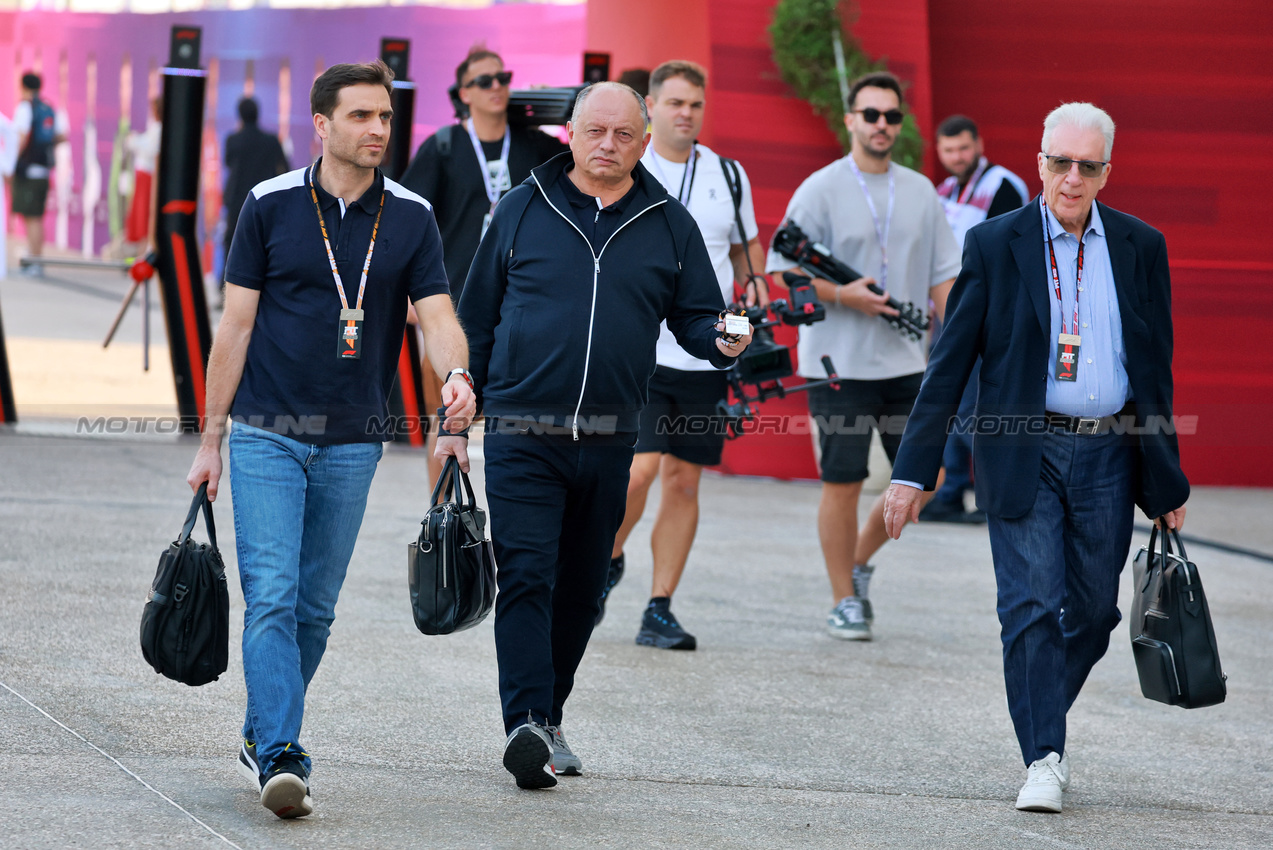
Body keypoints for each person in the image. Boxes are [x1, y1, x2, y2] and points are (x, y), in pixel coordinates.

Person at [185, 60, 474, 820]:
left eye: (384, 117)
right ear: (321, 123)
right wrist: (210, 441)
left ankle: (258, 734)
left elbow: (438, 315)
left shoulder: (410, 216)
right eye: (360, 117)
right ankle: (282, 751)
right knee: (273, 598)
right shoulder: (269, 205)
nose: (378, 129)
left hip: (353, 439)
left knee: (315, 609)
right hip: (265, 433)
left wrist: (456, 378)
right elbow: (235, 327)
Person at [884, 102, 1189, 813]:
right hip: (1023, 446)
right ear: (1038, 162)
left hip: (1110, 452)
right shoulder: (996, 243)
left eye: (1087, 165)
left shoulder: (1141, 247)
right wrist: (911, 469)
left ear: (1106, 172)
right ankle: (1042, 756)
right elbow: (949, 363)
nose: (1071, 178)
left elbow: (1155, 370)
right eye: (1059, 162)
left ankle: (1038, 703)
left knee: (1090, 612)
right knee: (1027, 605)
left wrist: (1164, 475)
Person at [449, 82, 752, 789]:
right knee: (525, 573)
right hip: (524, 428)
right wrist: (455, 420)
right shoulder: (523, 206)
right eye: (594, 132)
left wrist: (723, 340)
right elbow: (477, 319)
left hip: (614, 435)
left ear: (644, 142)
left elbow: (696, 319)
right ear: (572, 135)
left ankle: (549, 717)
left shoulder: (667, 223)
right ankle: (524, 722)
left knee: (582, 588)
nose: (607, 145)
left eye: (622, 134)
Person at [765, 71, 960, 641]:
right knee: (844, 481)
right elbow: (783, 268)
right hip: (837, 364)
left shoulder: (921, 189)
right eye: (870, 114)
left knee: (927, 479)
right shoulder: (822, 187)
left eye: (891, 116)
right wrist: (840, 294)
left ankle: (856, 563)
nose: (881, 125)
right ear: (850, 120)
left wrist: (967, 342)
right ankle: (843, 599)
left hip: (907, 363)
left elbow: (946, 277)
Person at [601, 60, 768, 651]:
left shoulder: (728, 173)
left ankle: (659, 607)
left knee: (684, 483)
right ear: (651, 106)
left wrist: (756, 295)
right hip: (639, 353)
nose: (686, 114)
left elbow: (747, 252)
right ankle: (606, 557)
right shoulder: (628, 167)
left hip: (706, 352)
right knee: (640, 468)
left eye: (695, 104)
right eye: (674, 103)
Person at [401, 44, 567, 483]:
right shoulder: (443, 146)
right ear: (464, 93)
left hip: (525, 302)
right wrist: (407, 292)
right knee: (448, 414)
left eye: (502, 77)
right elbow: (409, 222)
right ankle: (441, 518)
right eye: (484, 81)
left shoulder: (537, 145)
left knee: (519, 414)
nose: (497, 87)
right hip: (451, 302)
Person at [921, 114, 1029, 523]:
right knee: (945, 406)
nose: (957, 156)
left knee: (970, 409)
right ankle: (948, 494)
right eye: (948, 150)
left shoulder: (1003, 185)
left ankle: (995, 492)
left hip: (985, 320)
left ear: (979, 143)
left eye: (964, 148)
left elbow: (1007, 256)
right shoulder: (944, 190)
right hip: (944, 318)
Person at [223, 96, 290, 267]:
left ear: (239, 115)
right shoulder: (271, 140)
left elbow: (228, 162)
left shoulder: (233, 140)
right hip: (266, 197)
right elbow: (285, 168)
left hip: (237, 197)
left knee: (233, 239)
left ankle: (226, 281)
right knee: (265, 239)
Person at [13, 72, 68, 277]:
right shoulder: (49, 108)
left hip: (28, 170)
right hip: (43, 170)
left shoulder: (26, 107)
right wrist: (44, 145)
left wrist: (14, 162)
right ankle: (34, 258)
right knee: (35, 216)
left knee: (32, 218)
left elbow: (21, 137)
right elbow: (62, 136)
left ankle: (35, 261)